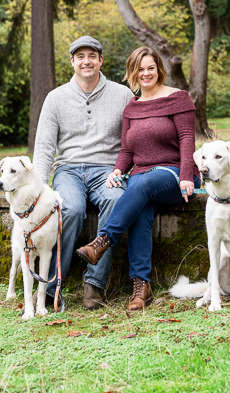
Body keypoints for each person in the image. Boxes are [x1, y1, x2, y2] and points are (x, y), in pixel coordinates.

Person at [77, 46, 200, 311]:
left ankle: (104, 239)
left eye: (151, 68)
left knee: (141, 183)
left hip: (175, 173)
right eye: (140, 69)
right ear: (133, 73)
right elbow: (127, 150)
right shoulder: (132, 107)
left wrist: (187, 174)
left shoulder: (178, 98)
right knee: (140, 210)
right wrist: (118, 171)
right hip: (143, 180)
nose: (146, 74)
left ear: (159, 69)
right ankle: (141, 287)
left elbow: (187, 139)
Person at [33, 36, 134, 310]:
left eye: (92, 55)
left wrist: (122, 171)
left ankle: (94, 285)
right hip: (68, 169)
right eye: (80, 56)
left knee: (117, 201)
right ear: (72, 62)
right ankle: (52, 287)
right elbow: (43, 147)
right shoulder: (55, 99)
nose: (86, 61)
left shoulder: (123, 95)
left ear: (101, 60)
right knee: (71, 209)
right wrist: (41, 188)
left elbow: (133, 140)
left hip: (107, 170)